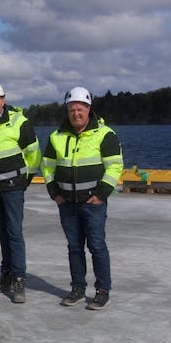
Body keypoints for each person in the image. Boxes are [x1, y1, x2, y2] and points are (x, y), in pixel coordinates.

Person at [42, 86, 123, 310]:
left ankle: (102, 290)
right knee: (74, 247)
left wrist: (101, 194)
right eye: (71, 109)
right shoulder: (57, 137)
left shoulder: (105, 135)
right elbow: (47, 166)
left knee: (97, 246)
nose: (76, 113)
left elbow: (115, 167)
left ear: (88, 109)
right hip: (67, 203)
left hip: (93, 204)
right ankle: (77, 288)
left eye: (79, 109)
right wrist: (55, 193)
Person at [0, 81, 41, 303]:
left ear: (3, 100)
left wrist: (26, 179)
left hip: (13, 188)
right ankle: (7, 275)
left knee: (14, 233)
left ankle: (19, 278)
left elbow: (34, 155)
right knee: (2, 233)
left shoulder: (20, 123)